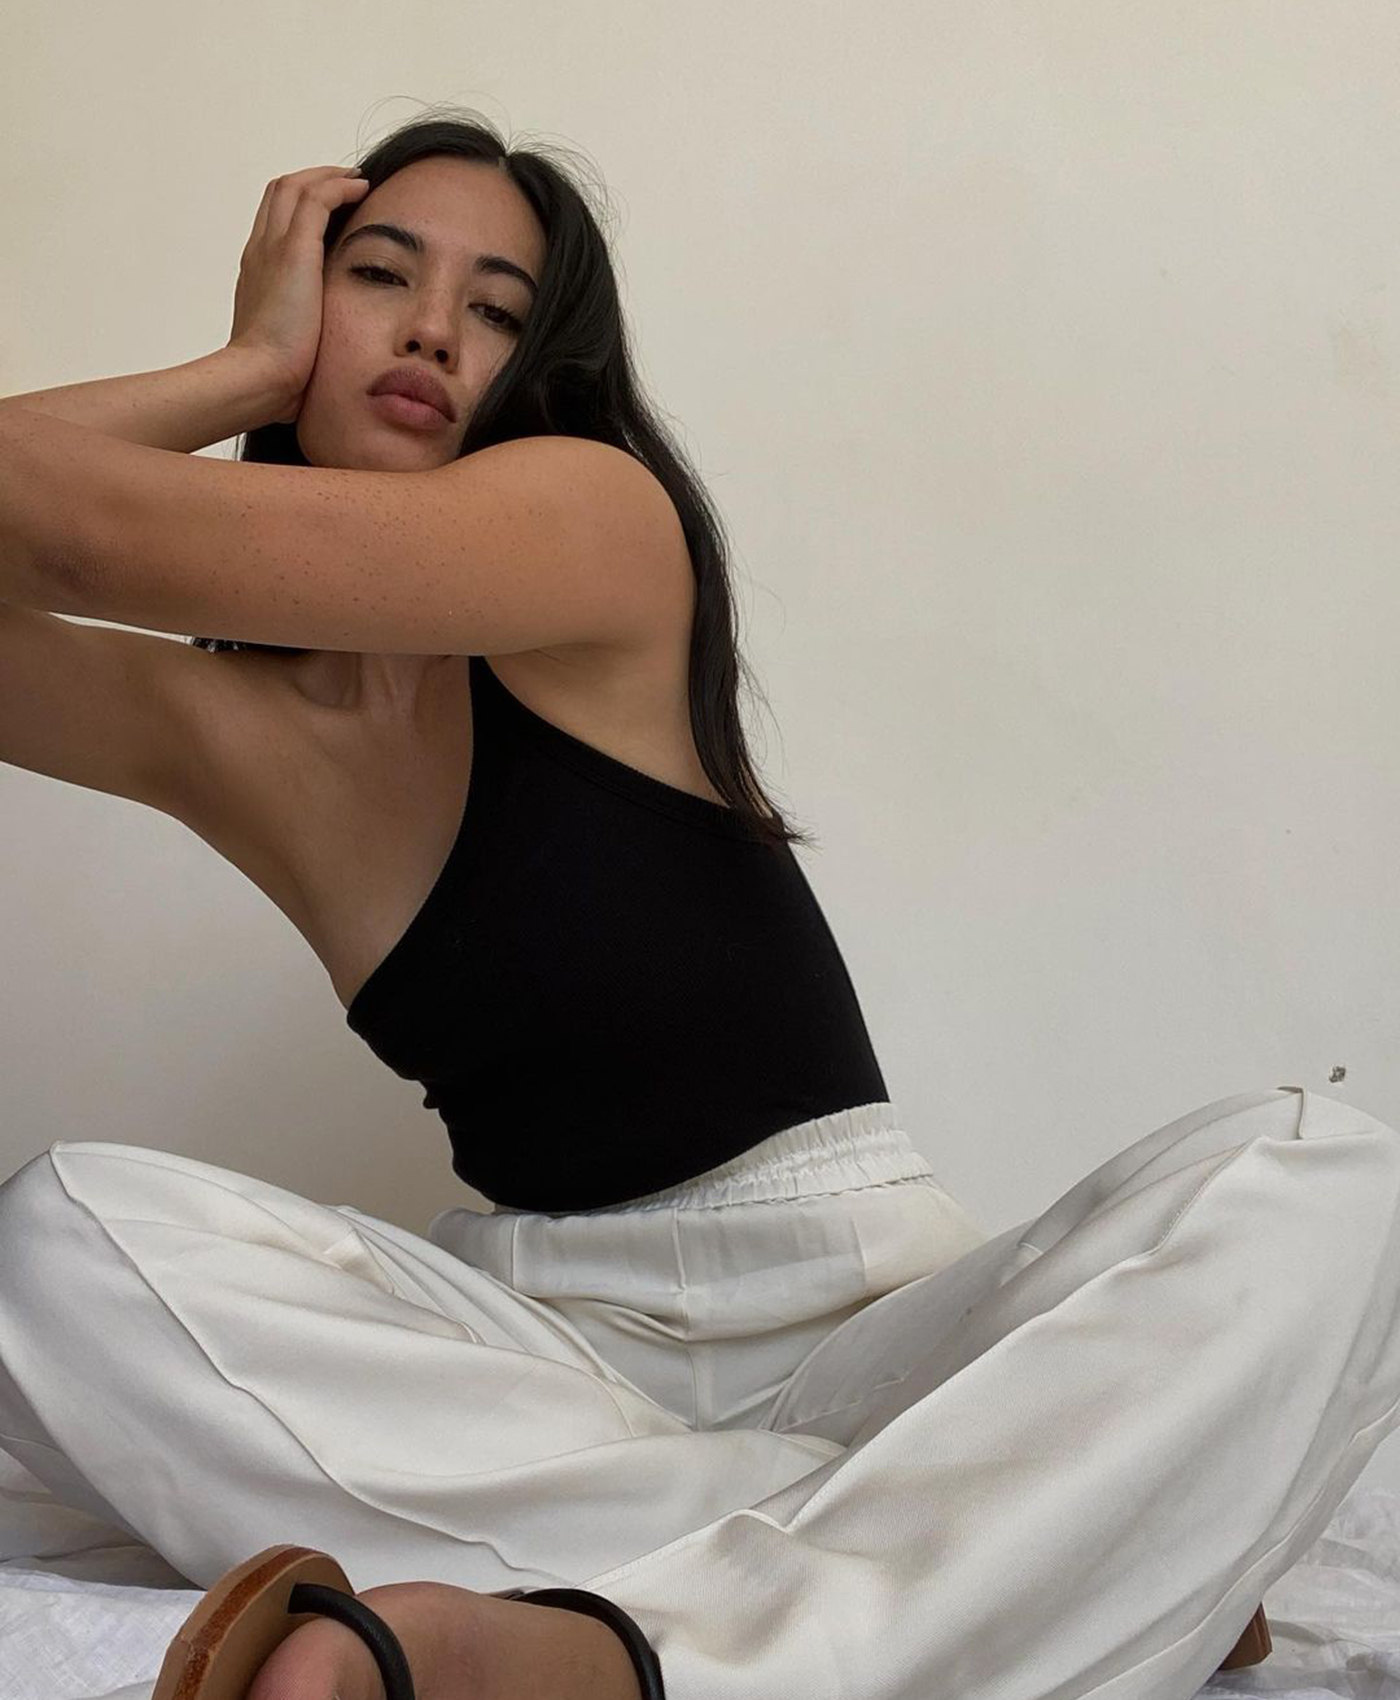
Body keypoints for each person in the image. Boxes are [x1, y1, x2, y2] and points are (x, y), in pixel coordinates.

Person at [1, 111, 1399, 1700]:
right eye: (378, 274)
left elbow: (68, 523)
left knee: (1324, 1175)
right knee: (54, 1249)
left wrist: (268, 367)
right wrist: (244, 370)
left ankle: (626, 1652)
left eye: (498, 307)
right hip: (545, 1363)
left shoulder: (589, 517)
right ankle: (1046, 1546)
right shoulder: (227, 738)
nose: (435, 329)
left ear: (540, 363)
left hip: (867, 1329)